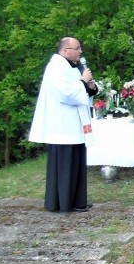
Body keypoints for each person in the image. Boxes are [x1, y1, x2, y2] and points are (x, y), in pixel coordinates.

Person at [29, 37, 98, 213]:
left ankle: (77, 200)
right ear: (66, 50)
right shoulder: (56, 67)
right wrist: (83, 82)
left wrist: (90, 86)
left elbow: (81, 90)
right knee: (65, 165)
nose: (80, 51)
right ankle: (63, 202)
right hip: (62, 125)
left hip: (74, 124)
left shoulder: (70, 66)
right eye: (77, 48)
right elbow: (65, 93)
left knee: (76, 163)